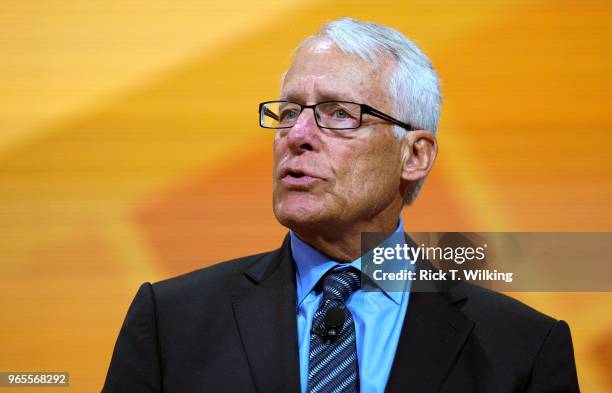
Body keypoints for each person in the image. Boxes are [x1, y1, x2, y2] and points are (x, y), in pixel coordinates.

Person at [102, 18, 580, 393]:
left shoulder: (521, 347)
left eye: (338, 114)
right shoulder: (172, 320)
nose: (298, 136)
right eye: (288, 112)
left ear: (414, 155)